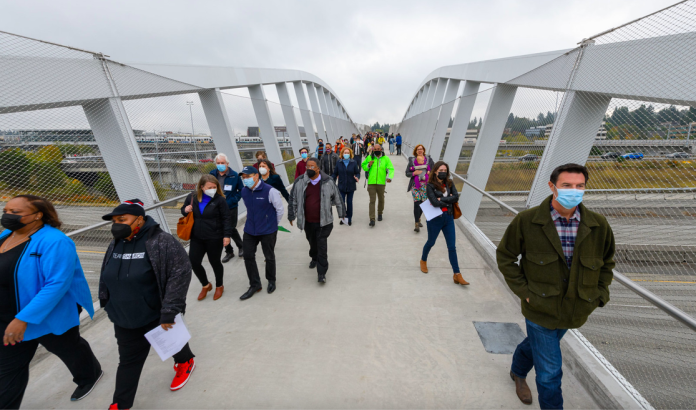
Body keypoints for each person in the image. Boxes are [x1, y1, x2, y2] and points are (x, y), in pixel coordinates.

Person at [496, 163, 615, 409]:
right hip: (539, 307)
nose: (574, 191)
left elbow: (606, 263)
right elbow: (506, 257)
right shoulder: (528, 221)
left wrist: (599, 295)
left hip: (575, 309)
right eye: (567, 185)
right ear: (552, 187)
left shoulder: (598, 225)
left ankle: (518, 371)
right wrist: (526, 293)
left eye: (579, 186)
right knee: (550, 372)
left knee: (537, 344)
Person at [0, 195, 102, 409]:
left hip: (47, 314)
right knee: (8, 369)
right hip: (8, 315)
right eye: (6, 211)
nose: (7, 216)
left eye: (15, 213)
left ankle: (90, 376)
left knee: (68, 348)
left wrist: (23, 318)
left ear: (38, 215)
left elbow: (57, 284)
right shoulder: (6, 235)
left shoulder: (55, 241)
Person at [100, 199, 195, 409]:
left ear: (139, 220)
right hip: (123, 316)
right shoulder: (115, 243)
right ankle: (120, 404)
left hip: (156, 313)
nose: (116, 224)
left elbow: (180, 273)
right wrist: (106, 301)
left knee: (173, 345)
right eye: (114, 220)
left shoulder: (161, 241)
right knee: (128, 361)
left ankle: (185, 361)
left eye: (122, 219)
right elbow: (106, 273)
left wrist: (170, 309)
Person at [288, 158, 345, 283]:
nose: (309, 169)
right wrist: (291, 215)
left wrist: (342, 214)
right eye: (307, 166)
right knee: (312, 243)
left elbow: (338, 198)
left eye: (312, 166)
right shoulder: (300, 181)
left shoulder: (328, 181)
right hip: (308, 222)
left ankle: (321, 273)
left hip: (324, 222)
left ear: (318, 168)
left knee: (322, 246)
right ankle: (313, 257)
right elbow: (293, 198)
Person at [181, 175, 232, 301]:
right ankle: (206, 285)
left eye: (215, 187)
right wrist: (185, 210)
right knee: (194, 262)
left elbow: (227, 218)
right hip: (197, 237)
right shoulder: (192, 197)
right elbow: (183, 210)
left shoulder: (219, 200)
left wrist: (227, 236)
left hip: (214, 237)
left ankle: (219, 286)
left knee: (215, 262)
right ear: (202, 187)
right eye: (210, 187)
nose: (213, 189)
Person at [419, 162, 469, 286]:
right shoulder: (430, 185)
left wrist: (443, 200)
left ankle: (457, 274)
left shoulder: (450, 183)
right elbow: (435, 203)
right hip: (435, 219)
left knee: (452, 247)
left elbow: (456, 197)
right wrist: (448, 200)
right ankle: (423, 260)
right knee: (431, 242)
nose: (443, 172)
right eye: (441, 169)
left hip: (449, 218)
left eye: (445, 170)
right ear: (435, 171)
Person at [239, 166, 284, 300]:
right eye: (244, 177)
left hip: (267, 230)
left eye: (248, 176)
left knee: (269, 256)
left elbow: (280, 210)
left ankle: (271, 280)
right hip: (250, 229)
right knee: (248, 256)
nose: (245, 179)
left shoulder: (270, 191)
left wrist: (272, 225)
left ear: (256, 176)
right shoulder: (244, 191)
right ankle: (255, 284)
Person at [211, 153, 244, 263]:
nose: (220, 165)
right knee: (221, 229)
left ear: (227, 163)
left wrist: (233, 200)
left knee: (230, 228)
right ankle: (229, 251)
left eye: (222, 163)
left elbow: (241, 190)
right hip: (216, 207)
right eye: (218, 163)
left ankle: (241, 246)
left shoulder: (234, 175)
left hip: (230, 206)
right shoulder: (212, 174)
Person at [361, 144, 394, 227]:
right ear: (373, 150)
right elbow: (363, 166)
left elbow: (390, 168)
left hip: (381, 183)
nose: (376, 150)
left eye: (378, 149)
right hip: (371, 182)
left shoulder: (386, 159)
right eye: (375, 149)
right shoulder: (370, 157)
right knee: (372, 201)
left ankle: (380, 213)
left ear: (381, 149)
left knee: (381, 199)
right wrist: (368, 165)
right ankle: (372, 219)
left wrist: (389, 177)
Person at [406, 144, 435, 232]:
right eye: (418, 149)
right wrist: (414, 173)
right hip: (415, 185)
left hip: (425, 185)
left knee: (423, 203)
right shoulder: (412, 161)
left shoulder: (429, 160)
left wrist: (430, 173)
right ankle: (416, 224)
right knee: (416, 203)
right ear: (416, 151)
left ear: (423, 150)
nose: (420, 150)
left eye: (421, 149)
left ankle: (418, 218)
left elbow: (434, 171)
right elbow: (407, 173)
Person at [332, 147, 361, 226]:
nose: (346, 154)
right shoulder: (339, 162)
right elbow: (335, 173)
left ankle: (349, 218)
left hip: (351, 185)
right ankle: (343, 217)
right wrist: (331, 180)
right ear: (342, 154)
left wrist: (357, 177)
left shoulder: (354, 162)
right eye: (345, 153)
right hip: (341, 185)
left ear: (350, 154)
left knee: (349, 202)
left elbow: (357, 172)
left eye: (348, 153)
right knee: (342, 203)